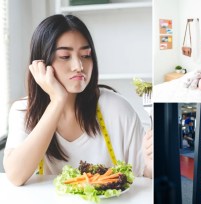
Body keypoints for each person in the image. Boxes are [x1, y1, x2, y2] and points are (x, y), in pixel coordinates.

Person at [3, 14, 152, 186]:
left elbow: (144, 176)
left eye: (86, 55)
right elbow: (16, 176)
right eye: (65, 56)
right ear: (41, 63)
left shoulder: (115, 107)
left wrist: (152, 163)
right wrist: (57, 100)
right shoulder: (23, 111)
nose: (79, 66)